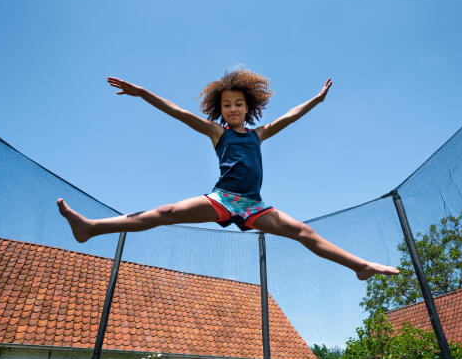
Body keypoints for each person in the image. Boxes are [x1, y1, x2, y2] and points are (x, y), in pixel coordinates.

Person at [57, 68, 399, 280]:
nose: (232, 109)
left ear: (247, 107)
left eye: (238, 104)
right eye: (226, 105)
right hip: (222, 198)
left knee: (304, 231)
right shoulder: (217, 133)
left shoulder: (258, 134)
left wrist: (317, 100)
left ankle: (358, 265)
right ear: (219, 110)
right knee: (166, 213)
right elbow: (177, 112)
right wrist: (143, 92)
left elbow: (291, 116)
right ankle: (91, 227)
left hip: (253, 205)